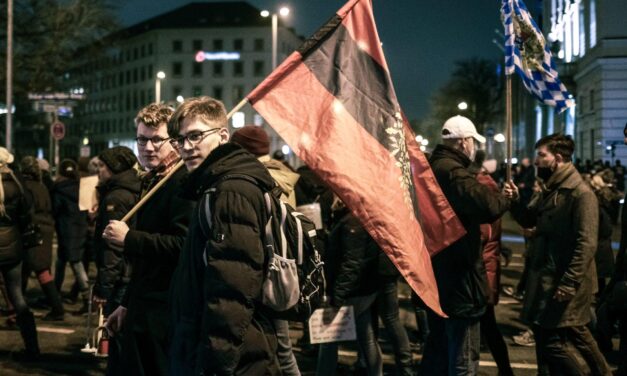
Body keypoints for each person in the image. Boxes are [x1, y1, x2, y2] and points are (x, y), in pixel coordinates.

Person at [168, 96, 279, 375]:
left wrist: (216, 362)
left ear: (222, 136)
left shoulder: (231, 191)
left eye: (195, 136)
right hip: (221, 346)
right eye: (180, 140)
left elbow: (233, 287)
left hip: (233, 356)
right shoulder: (215, 185)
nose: (187, 147)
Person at [102, 103, 194, 376]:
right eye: (142, 139)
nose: (148, 147)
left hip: (165, 311)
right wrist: (127, 304)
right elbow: (145, 263)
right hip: (143, 305)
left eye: (157, 140)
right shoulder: (154, 180)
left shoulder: (181, 182)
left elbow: (182, 245)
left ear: (175, 143)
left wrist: (129, 238)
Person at [420, 115, 516, 375]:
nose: (474, 147)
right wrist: (504, 198)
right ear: (463, 142)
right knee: (463, 357)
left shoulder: (433, 166)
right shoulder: (452, 172)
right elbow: (487, 206)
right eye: (473, 141)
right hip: (459, 276)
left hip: (440, 271)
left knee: (439, 350)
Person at [512, 133, 611, 376]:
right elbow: (528, 217)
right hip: (548, 277)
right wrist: (513, 200)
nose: (536, 161)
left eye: (541, 155)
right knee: (559, 334)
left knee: (552, 341)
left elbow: (586, 242)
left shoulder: (580, 193)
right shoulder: (551, 188)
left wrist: (569, 282)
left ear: (557, 158)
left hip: (563, 280)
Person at [231, 124, 301, 375]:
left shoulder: (265, 181)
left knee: (280, 348)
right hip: (278, 269)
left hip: (269, 271)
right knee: (279, 346)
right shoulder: (279, 176)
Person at [316, 195, 382, 376]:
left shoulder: (352, 223)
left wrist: (337, 297)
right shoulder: (356, 218)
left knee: (328, 340)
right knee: (366, 336)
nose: (335, 198)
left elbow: (351, 263)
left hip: (353, 291)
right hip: (363, 288)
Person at [92, 146, 141, 375]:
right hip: (128, 272)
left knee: (116, 334)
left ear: (114, 168)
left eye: (102, 166)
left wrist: (104, 285)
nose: (99, 171)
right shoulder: (129, 188)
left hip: (121, 276)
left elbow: (112, 245)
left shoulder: (117, 195)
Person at [470, 151, 514, 376]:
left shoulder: (480, 188)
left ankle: (504, 371)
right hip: (485, 268)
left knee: (482, 326)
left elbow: (482, 233)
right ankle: (505, 370)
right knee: (487, 326)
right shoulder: (487, 185)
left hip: (481, 271)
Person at [0, 147, 40, 359]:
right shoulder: (16, 183)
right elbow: (27, 216)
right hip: (13, 247)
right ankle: (33, 347)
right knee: (17, 296)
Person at [19, 156, 64, 321]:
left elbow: (26, 212)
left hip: (32, 232)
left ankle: (56, 309)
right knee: (36, 270)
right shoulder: (42, 186)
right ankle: (18, 307)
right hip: (45, 230)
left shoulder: (25, 187)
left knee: (34, 271)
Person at [52, 159, 90, 314]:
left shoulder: (58, 189)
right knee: (66, 262)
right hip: (80, 229)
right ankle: (54, 293)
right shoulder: (83, 187)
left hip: (65, 230)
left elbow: (55, 210)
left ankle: (87, 299)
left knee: (75, 264)